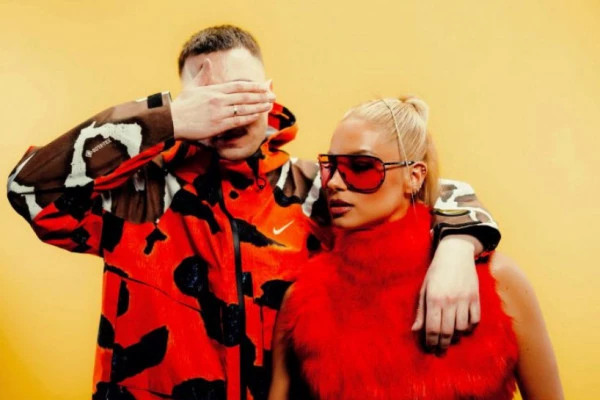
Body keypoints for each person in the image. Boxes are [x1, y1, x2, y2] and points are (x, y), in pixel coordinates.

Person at [7, 26, 501, 400]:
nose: (228, 113)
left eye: (241, 94)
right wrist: (166, 119)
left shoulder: (318, 190)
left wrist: (458, 246)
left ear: (268, 92)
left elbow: (421, 189)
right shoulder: (138, 194)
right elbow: (28, 189)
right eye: (209, 100)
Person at [269, 97, 563, 400]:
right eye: (329, 166)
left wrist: (458, 247)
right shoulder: (303, 300)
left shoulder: (498, 280)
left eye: (361, 167)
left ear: (414, 176)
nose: (334, 183)